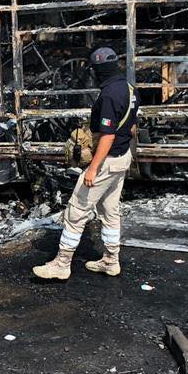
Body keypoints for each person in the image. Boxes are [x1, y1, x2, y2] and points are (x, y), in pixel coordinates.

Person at [33, 46, 137, 280]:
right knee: (110, 211)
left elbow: (108, 135)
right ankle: (111, 260)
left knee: (76, 210)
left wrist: (92, 168)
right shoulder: (129, 88)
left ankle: (61, 264)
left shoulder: (110, 94)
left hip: (106, 162)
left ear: (98, 69)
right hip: (122, 158)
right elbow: (131, 126)